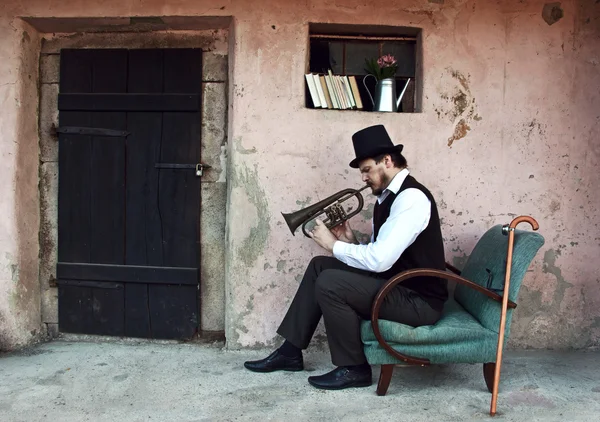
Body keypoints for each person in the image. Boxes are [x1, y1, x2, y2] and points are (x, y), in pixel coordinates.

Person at [244, 124, 448, 390]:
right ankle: (290, 352)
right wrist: (349, 242)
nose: (363, 178)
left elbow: (380, 261)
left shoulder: (411, 198)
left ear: (387, 161)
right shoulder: (387, 198)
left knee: (331, 284)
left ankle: (354, 368)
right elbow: (384, 252)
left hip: (419, 302)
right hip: (397, 285)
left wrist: (334, 246)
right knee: (321, 267)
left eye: (366, 170)